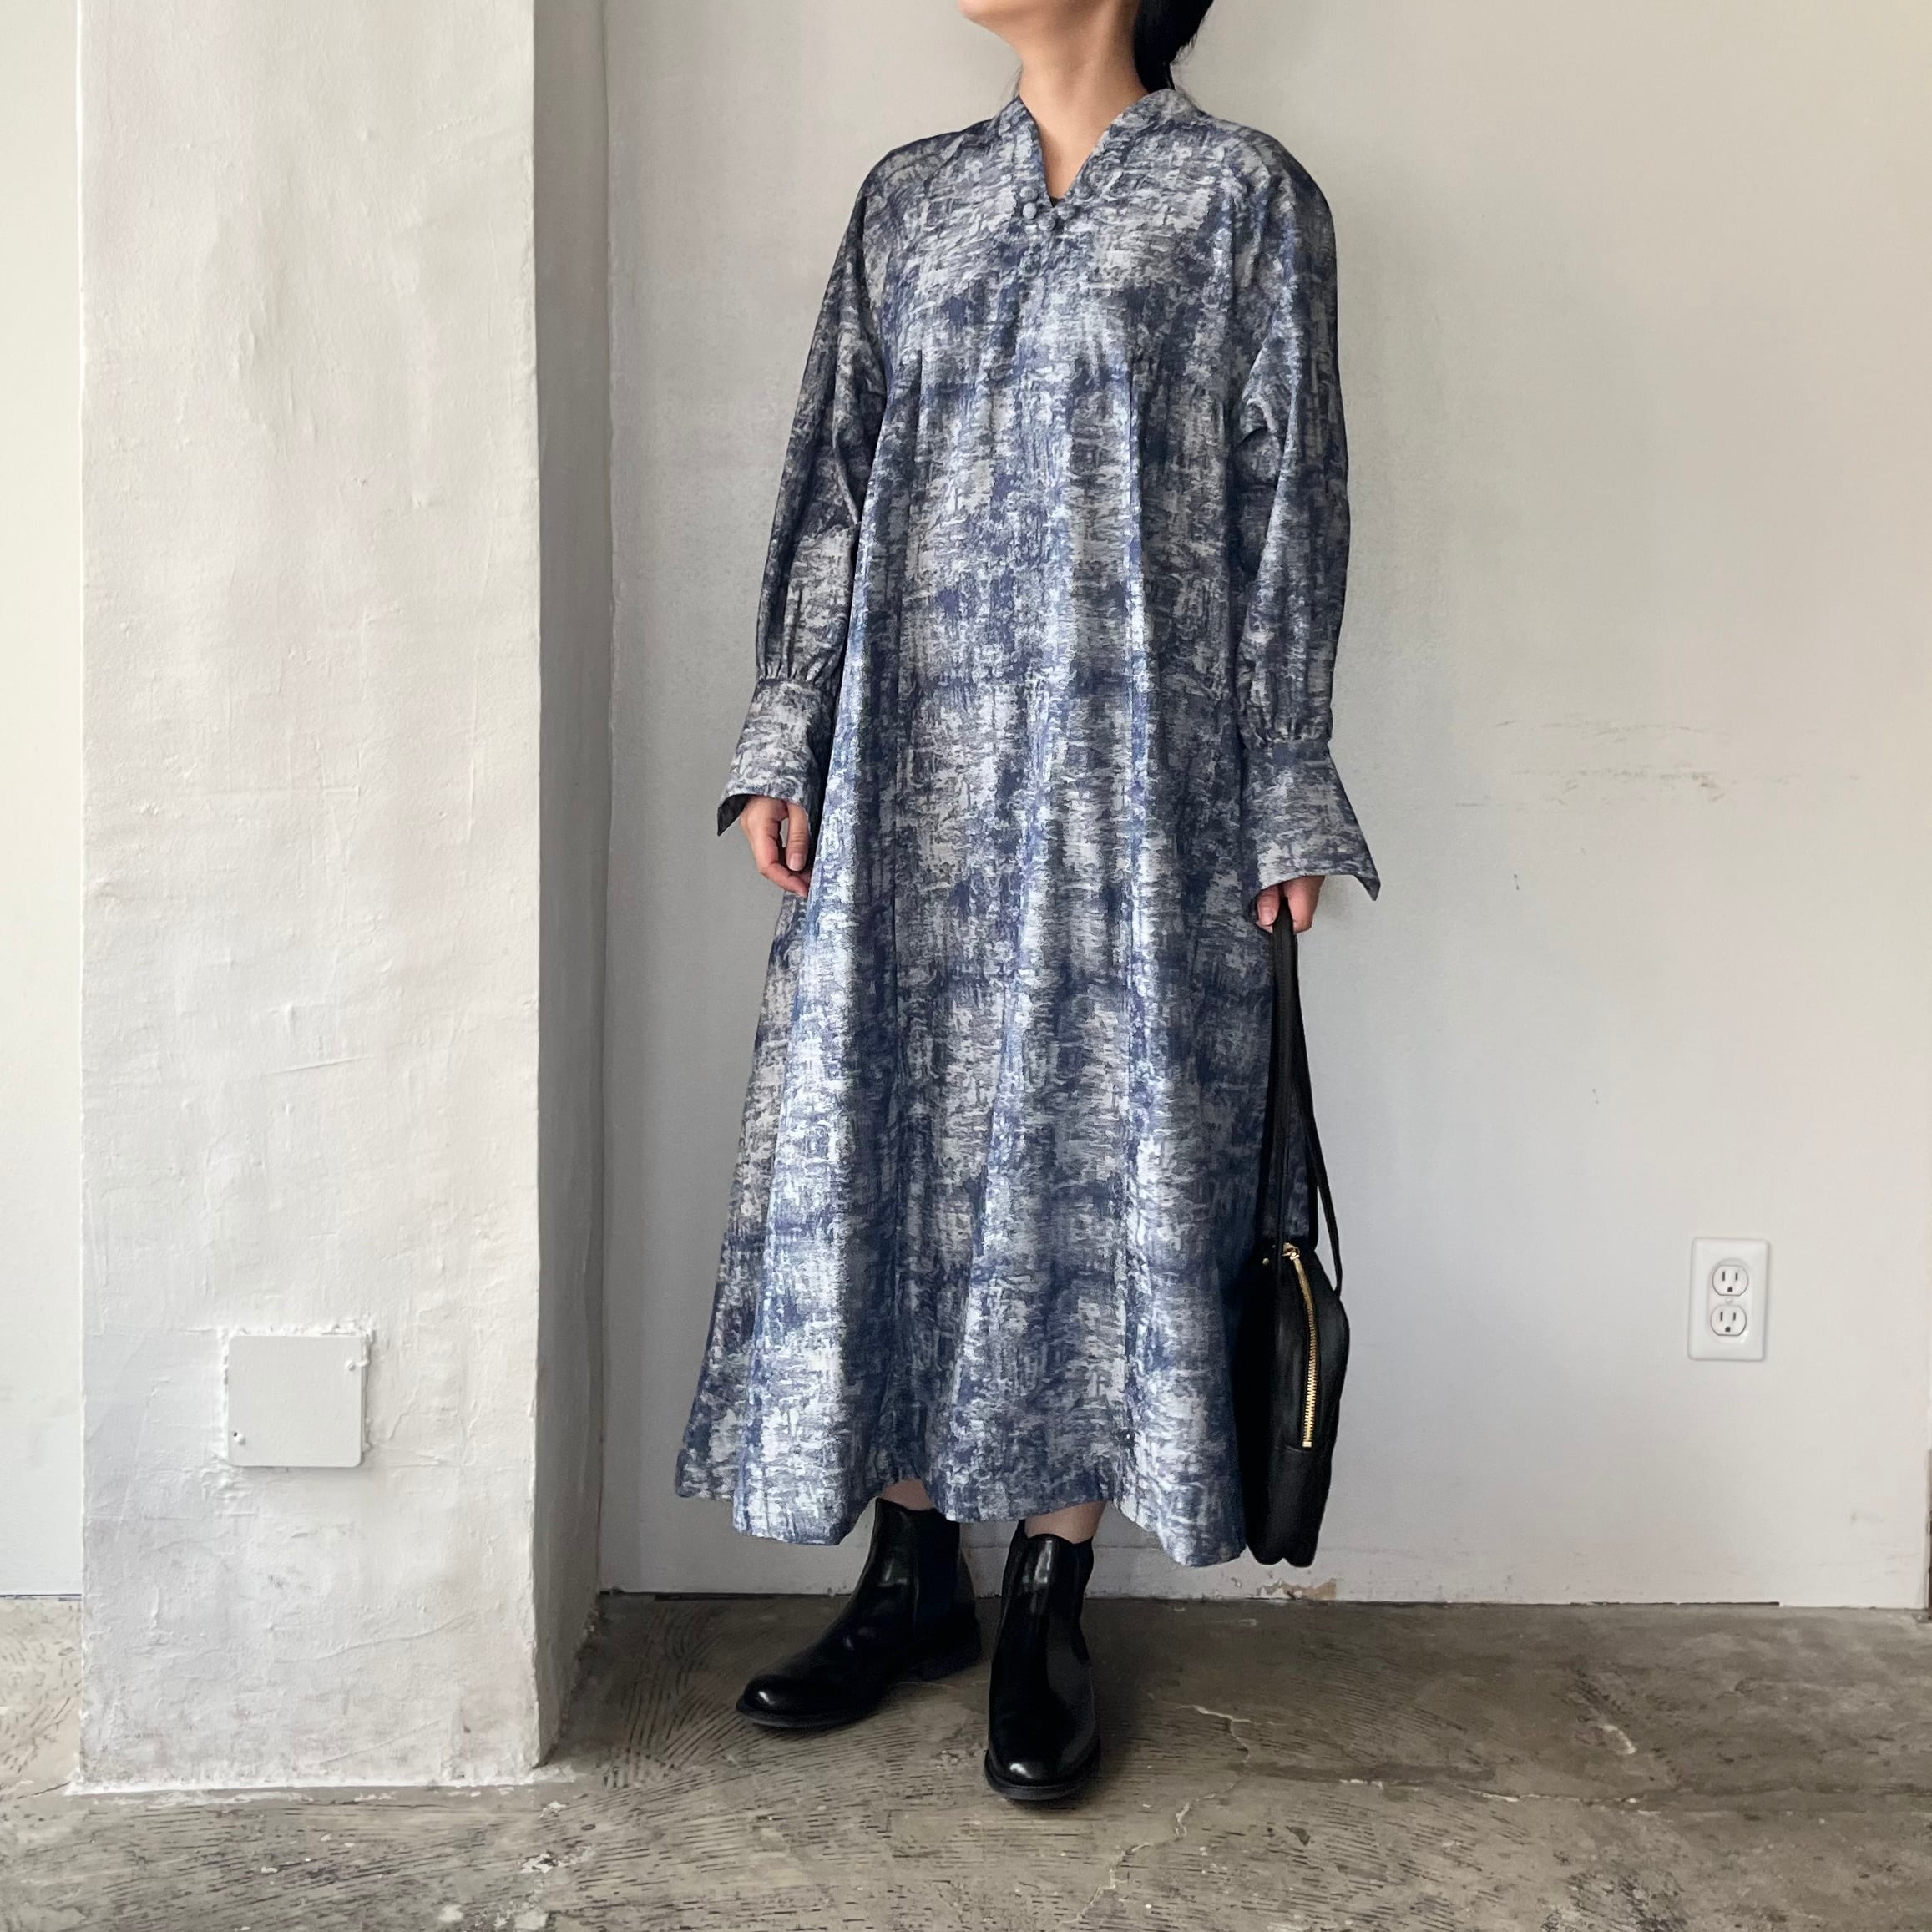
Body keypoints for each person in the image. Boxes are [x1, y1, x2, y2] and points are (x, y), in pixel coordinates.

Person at [675, 0, 1378, 1803]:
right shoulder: (909, 200)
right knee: (896, 1140)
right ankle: (909, 1569)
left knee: (1095, 1157)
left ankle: (1049, 1591)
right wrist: (787, 732)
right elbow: (833, 481)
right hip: (902, 770)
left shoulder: (1241, 199)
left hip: (1136, 783)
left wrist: (1281, 783)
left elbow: (1289, 508)